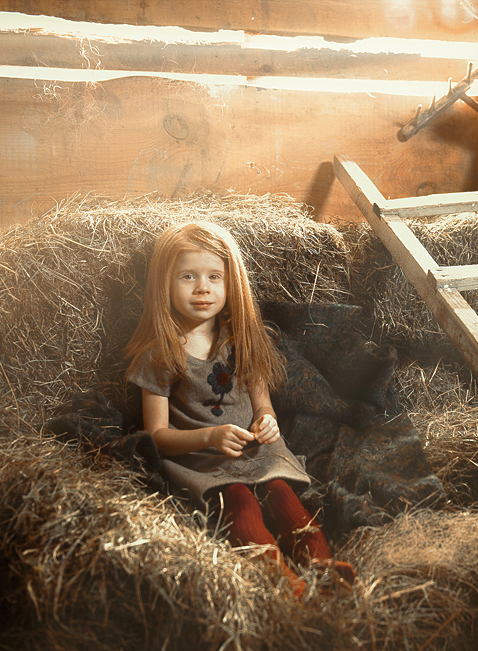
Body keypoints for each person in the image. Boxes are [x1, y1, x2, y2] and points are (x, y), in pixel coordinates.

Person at [125, 221, 355, 596]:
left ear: (231, 284)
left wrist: (268, 420)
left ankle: (320, 567)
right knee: (239, 501)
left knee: (282, 495)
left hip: (258, 450)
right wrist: (210, 436)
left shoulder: (243, 339)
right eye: (188, 276)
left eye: (214, 276)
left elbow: (262, 401)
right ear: (164, 286)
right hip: (202, 459)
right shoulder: (160, 354)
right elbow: (156, 436)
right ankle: (284, 584)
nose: (203, 288)